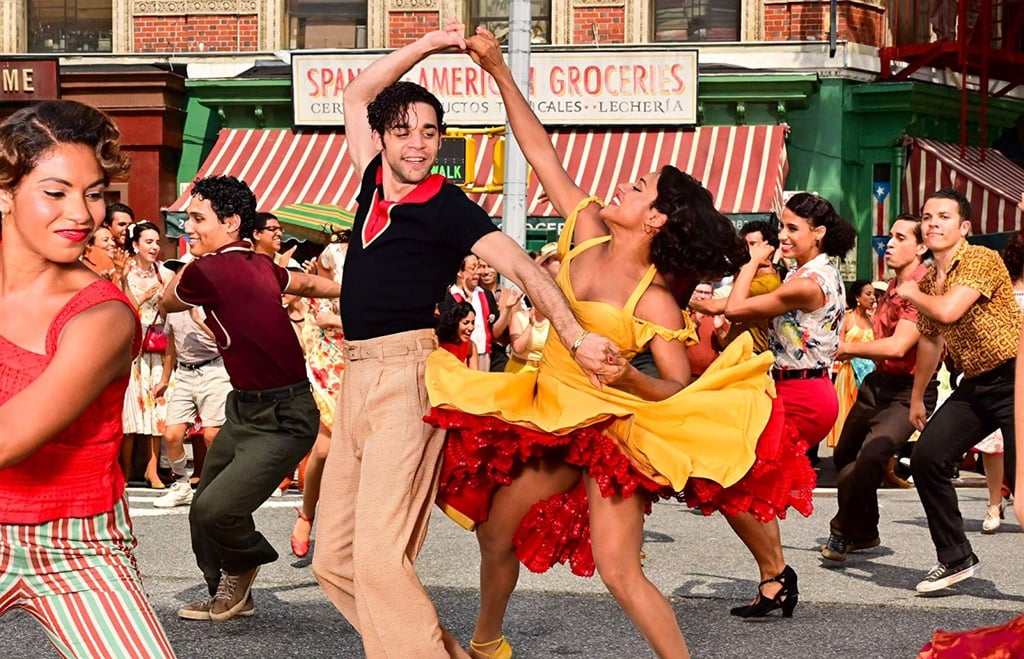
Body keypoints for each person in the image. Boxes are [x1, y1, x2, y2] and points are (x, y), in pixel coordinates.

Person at [424, 27, 813, 658]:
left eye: (640, 188)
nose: (625, 186)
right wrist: (499, 72)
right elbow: (539, 149)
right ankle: (487, 644)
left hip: (610, 432)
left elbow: (677, 388)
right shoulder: (582, 226)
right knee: (494, 534)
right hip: (544, 412)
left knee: (619, 571)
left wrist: (629, 380)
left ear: (656, 218)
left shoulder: (654, 300)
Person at [309, 20, 619, 659]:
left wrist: (576, 336)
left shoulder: (447, 204)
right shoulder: (370, 178)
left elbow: (526, 268)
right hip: (356, 376)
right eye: (405, 132)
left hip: (409, 376)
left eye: (430, 132)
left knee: (377, 559)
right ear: (383, 137)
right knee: (334, 560)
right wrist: (427, 45)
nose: (419, 145)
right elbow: (355, 93)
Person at [0, 99, 176, 657]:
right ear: (4, 193)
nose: (81, 213)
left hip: (75, 543)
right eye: (56, 192)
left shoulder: (103, 315)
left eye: (94, 193)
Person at [160, 174, 340, 622]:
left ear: (232, 221)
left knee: (215, 508)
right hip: (245, 408)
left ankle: (245, 561)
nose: (190, 228)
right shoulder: (260, 264)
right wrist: (353, 291)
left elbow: (166, 302)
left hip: (283, 416)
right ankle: (229, 592)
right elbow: (306, 285)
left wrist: (190, 258)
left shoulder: (206, 269)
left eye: (198, 219)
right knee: (204, 510)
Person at [723, 191, 856, 617]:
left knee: (731, 482)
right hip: (799, 388)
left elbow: (734, 307)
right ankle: (774, 580)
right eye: (781, 227)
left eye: (791, 229)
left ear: (818, 234)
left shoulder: (805, 282)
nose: (781, 236)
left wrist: (750, 260)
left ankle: (777, 574)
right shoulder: (814, 272)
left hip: (802, 393)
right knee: (751, 484)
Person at [896, 187, 1021, 593]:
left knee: (1022, 492)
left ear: (964, 227)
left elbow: (949, 310)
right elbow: (930, 340)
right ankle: (955, 557)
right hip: (977, 385)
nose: (933, 223)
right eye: (927, 216)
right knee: (927, 458)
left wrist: (911, 291)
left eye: (944, 216)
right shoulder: (931, 279)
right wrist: (918, 396)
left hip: (1016, 378)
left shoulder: (982, 259)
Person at [822, 213, 937, 562]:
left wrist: (843, 348)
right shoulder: (891, 287)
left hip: (910, 390)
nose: (889, 243)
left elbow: (898, 347)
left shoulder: (924, 288)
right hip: (878, 383)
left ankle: (843, 529)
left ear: (921, 247)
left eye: (901, 238)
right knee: (843, 455)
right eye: (890, 236)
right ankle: (867, 530)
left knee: (871, 457)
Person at [290, 251, 346, 557]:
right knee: (323, 450)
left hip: (362, 365)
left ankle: (346, 530)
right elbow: (314, 316)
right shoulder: (318, 284)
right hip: (328, 368)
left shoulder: (373, 274)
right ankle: (307, 515)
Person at [151, 301, 230, 509]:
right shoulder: (173, 308)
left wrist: (199, 320)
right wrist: (165, 379)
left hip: (214, 369)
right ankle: (181, 486)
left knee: (212, 434)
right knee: (172, 435)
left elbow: (226, 343)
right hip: (185, 373)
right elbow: (171, 345)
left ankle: (218, 487)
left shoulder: (213, 304)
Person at [120, 220, 173, 489]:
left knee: (156, 411)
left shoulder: (164, 273)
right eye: (148, 242)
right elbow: (124, 310)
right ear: (135, 244)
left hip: (155, 349)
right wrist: (144, 297)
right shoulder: (125, 273)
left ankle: (153, 470)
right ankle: (126, 468)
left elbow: (171, 314)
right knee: (130, 411)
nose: (154, 247)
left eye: (156, 242)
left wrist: (163, 300)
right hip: (131, 349)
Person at [689, 219, 781, 354]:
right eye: (745, 244)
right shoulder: (748, 278)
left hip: (752, 359)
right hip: (736, 355)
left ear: (770, 250)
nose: (747, 250)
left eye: (753, 244)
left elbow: (714, 307)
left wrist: (685, 299)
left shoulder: (766, 284)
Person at [826, 279, 877, 447]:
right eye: (868, 294)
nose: (872, 298)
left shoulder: (873, 321)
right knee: (848, 412)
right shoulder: (846, 319)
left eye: (874, 295)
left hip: (869, 375)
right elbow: (836, 350)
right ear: (857, 297)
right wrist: (855, 353)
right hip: (849, 374)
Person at [437, 301, 479, 368]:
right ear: (454, 323)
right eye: (466, 323)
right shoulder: (437, 343)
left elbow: (475, 375)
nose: (471, 327)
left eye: (472, 323)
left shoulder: (471, 346)